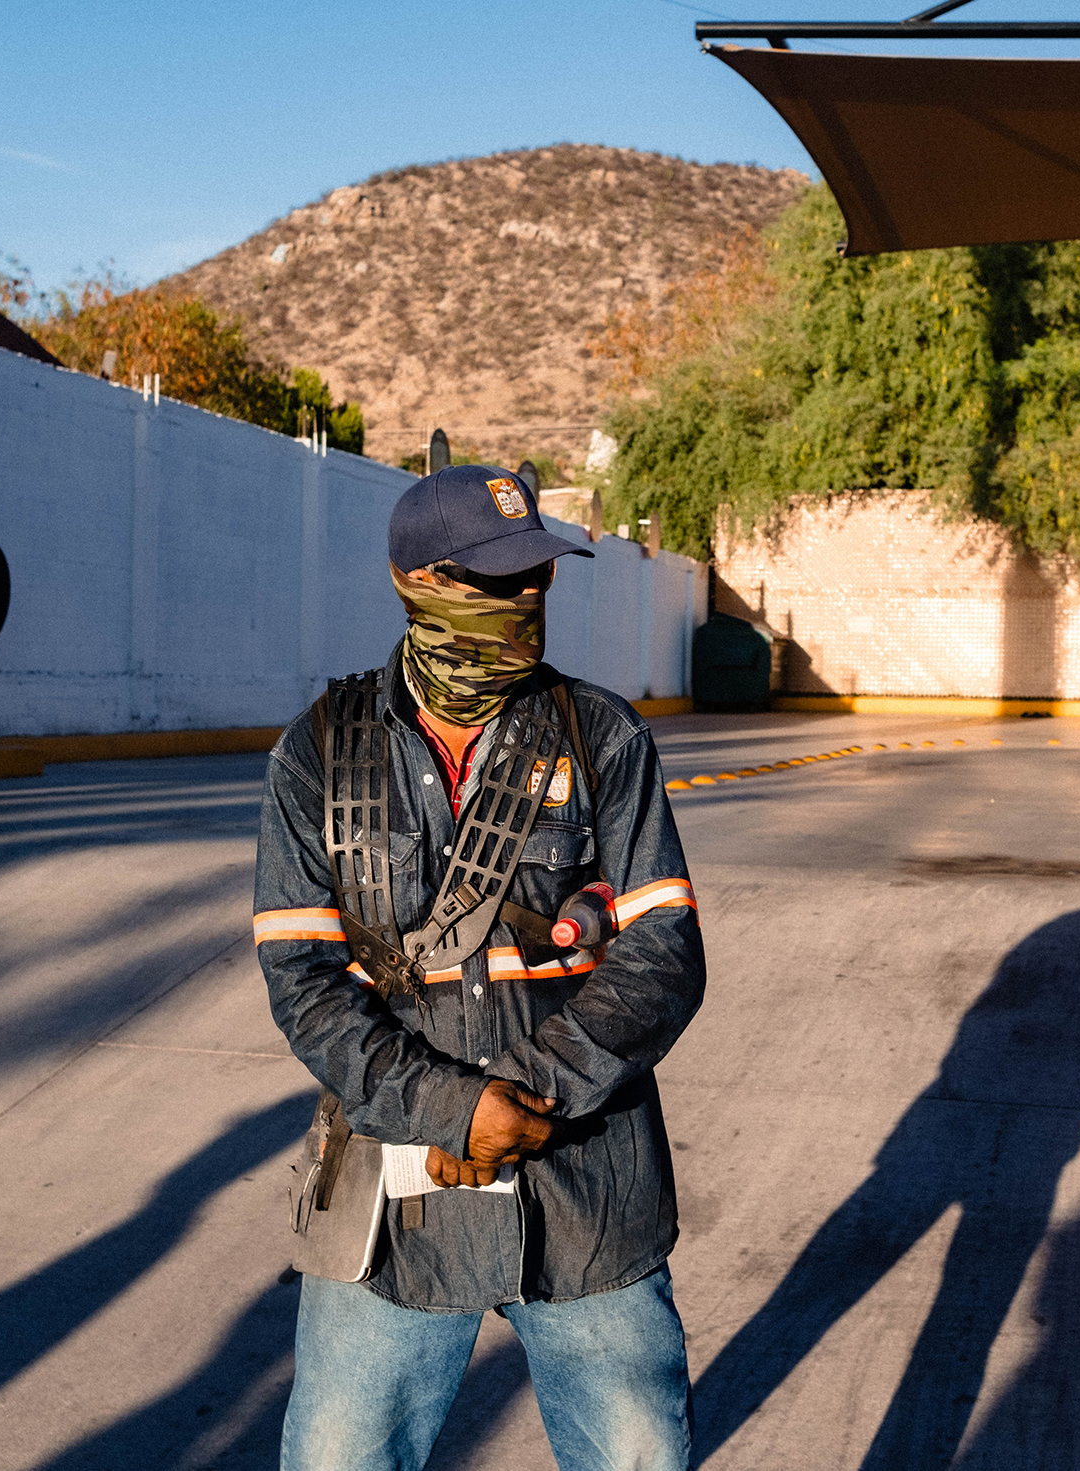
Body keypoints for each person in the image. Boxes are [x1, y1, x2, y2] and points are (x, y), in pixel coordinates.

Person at [255, 463, 707, 1471]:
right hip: (394, 1203)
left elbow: (664, 950)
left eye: (538, 578)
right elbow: (303, 981)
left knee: (640, 1455)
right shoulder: (319, 754)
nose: (526, 602)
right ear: (417, 580)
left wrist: (530, 1095)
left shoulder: (602, 738)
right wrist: (447, 1108)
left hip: (587, 1186)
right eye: (498, 582)